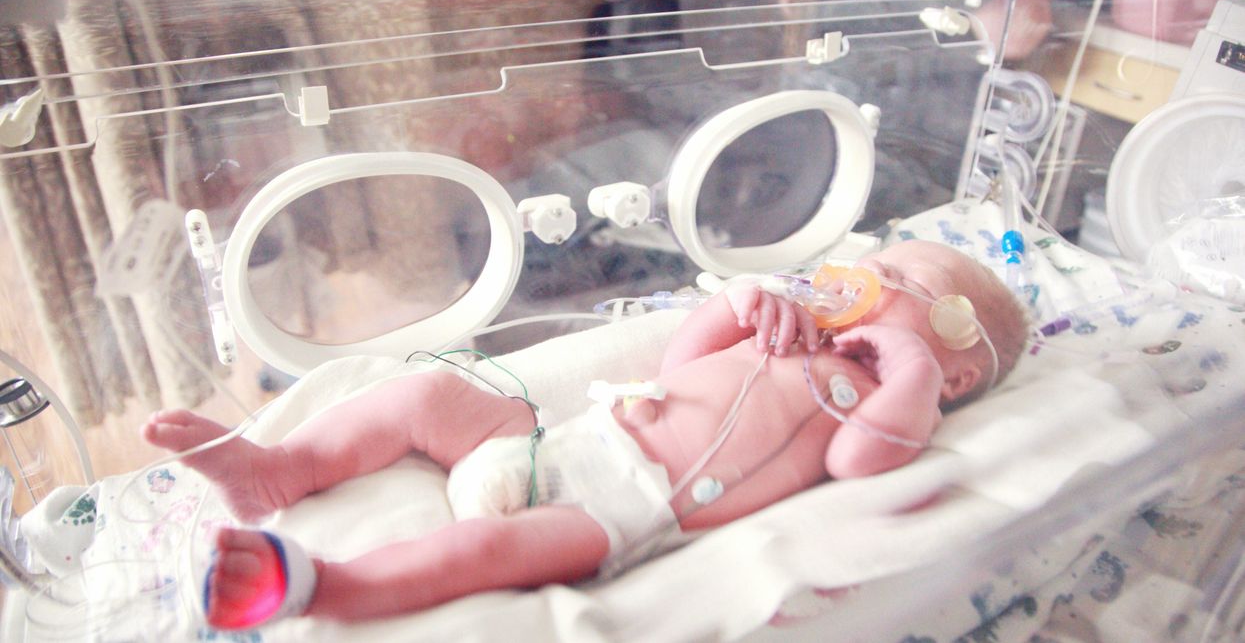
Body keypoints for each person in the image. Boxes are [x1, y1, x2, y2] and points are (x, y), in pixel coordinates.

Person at [142, 240, 1028, 630]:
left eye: (904, 278)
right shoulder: (796, 334)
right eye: (870, 265)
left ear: (955, 372)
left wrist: (904, 371)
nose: (867, 279)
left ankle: (327, 588)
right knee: (429, 395)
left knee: (487, 551)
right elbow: (679, 365)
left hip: (622, 508)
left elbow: (857, 461)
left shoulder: (875, 396)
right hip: (560, 438)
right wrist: (736, 307)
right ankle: (281, 468)